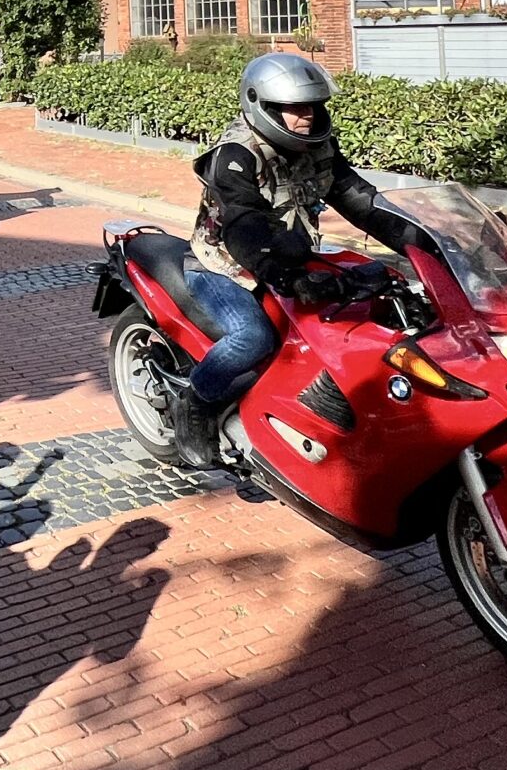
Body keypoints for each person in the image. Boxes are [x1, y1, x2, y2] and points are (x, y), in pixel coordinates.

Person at [168, 53, 421, 468]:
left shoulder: (317, 147)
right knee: (253, 339)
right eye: (295, 108)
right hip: (227, 265)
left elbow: (361, 201)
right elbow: (242, 221)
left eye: (313, 105)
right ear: (262, 106)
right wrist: (279, 274)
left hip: (290, 258)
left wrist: (422, 242)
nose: (308, 115)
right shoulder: (235, 154)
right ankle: (195, 402)